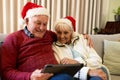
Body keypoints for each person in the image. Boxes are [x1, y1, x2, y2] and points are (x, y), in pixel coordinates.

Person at [1, 2, 92, 80]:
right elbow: (5, 72)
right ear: (27, 20)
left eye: (45, 24)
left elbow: (65, 35)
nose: (42, 28)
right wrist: (30, 76)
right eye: (38, 23)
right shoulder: (13, 39)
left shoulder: (49, 35)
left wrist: (82, 36)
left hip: (57, 75)